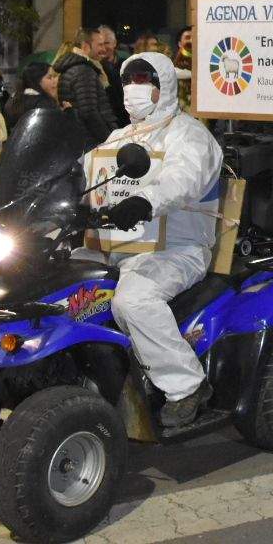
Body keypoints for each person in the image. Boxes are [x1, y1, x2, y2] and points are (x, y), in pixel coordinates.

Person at [78, 52, 226, 427]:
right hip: (117, 245)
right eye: (128, 81)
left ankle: (186, 386)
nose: (134, 89)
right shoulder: (120, 137)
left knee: (133, 301)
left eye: (144, 80)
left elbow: (182, 180)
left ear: (165, 86)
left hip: (175, 249)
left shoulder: (189, 135)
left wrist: (145, 201)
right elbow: (87, 171)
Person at [55, 27, 114, 144]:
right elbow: (89, 112)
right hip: (88, 141)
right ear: (86, 46)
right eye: (100, 45)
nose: (104, 49)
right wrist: (108, 140)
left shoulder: (75, 67)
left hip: (80, 138)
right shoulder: (83, 71)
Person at [4, 60, 62, 132]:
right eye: (49, 77)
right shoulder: (45, 104)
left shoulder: (11, 102)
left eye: (54, 76)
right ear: (37, 80)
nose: (55, 81)